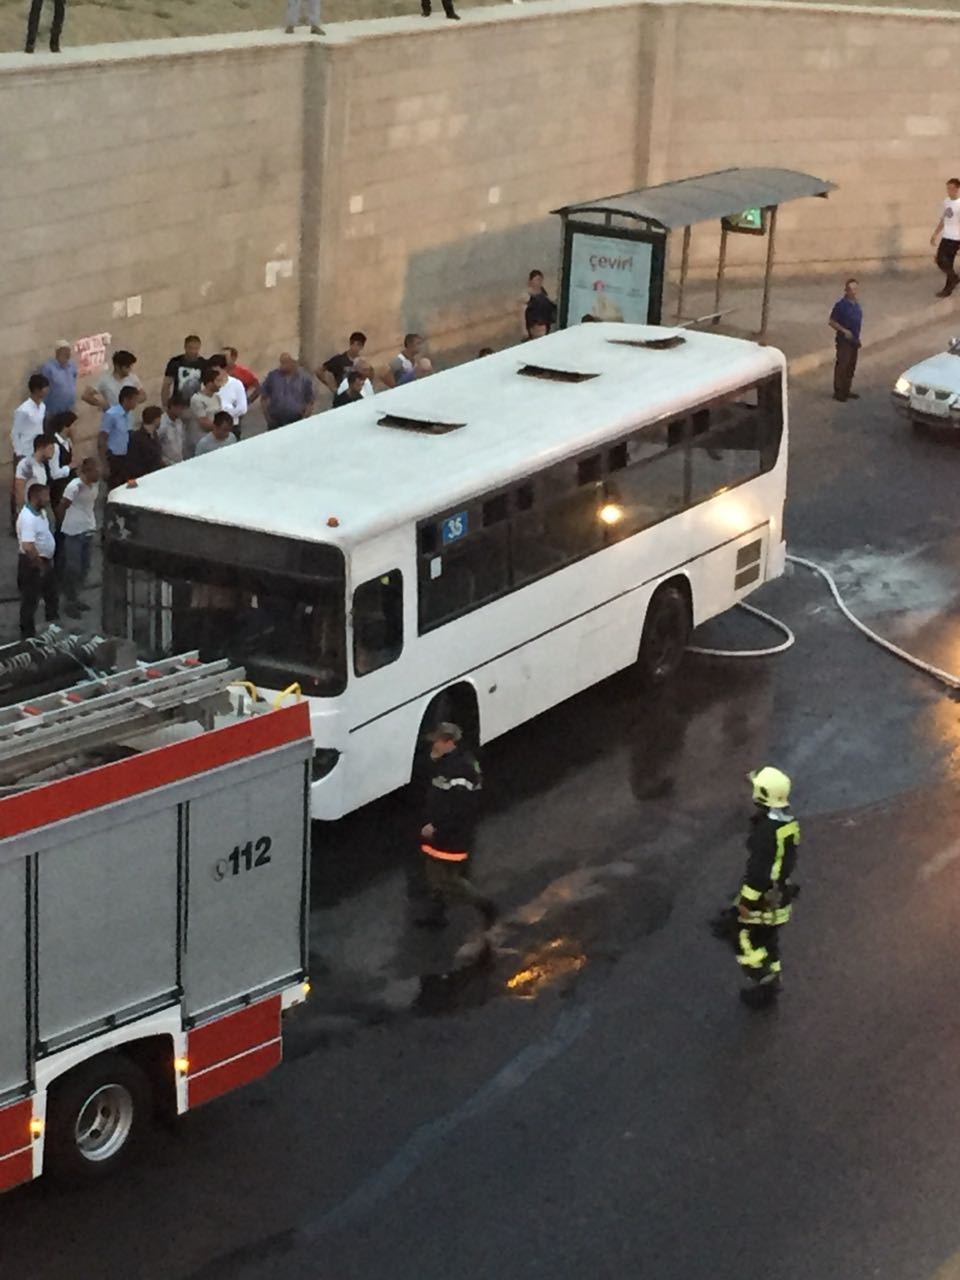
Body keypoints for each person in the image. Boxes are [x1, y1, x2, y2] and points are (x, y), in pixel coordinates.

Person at [710, 767, 800, 1010]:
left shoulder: (765, 833)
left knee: (743, 939)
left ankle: (765, 982)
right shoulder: (787, 825)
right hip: (780, 897)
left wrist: (742, 905)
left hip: (764, 902)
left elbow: (758, 875)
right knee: (769, 939)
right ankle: (773, 976)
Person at [415, 722, 497, 930]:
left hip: (451, 835)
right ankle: (437, 913)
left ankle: (484, 905)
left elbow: (459, 808)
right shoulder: (449, 762)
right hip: (441, 833)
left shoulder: (460, 770)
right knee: (434, 874)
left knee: (449, 880)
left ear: (449, 742)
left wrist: (437, 827)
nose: (433, 746)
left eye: (436, 743)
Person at [56, 458, 100, 618]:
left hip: (88, 528)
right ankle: (69, 601)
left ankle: (77, 597)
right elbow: (62, 506)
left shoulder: (95, 485)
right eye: (94, 470)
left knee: (85, 567)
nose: (98, 473)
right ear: (86, 471)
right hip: (74, 531)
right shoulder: (74, 487)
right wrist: (63, 526)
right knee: (72, 568)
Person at [16, 483, 58, 638]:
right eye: (45, 496)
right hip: (32, 564)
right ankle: (27, 636)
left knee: (52, 596)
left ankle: (53, 628)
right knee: (30, 600)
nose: (48, 499)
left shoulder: (41, 512)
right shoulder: (27, 518)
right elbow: (28, 546)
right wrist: (39, 565)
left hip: (45, 561)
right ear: (36, 497)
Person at [10, 374, 49, 535]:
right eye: (45, 387)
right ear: (36, 390)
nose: (47, 390)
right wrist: (19, 453)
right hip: (24, 452)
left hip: (36, 451)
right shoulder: (23, 410)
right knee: (19, 487)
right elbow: (15, 433)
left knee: (36, 484)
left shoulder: (43, 407)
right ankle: (16, 521)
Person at [98, 384, 139, 490]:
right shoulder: (111, 414)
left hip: (127, 457)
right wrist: (105, 464)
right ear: (126, 400)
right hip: (114, 458)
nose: (136, 403)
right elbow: (102, 437)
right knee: (115, 488)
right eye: (134, 400)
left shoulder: (129, 415)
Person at [828, 277, 863, 403]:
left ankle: (847, 390)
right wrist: (844, 331)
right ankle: (838, 392)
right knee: (842, 366)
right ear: (846, 290)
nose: (853, 292)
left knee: (851, 366)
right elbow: (831, 321)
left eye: (855, 289)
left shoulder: (856, 304)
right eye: (850, 289)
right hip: (844, 342)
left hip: (854, 340)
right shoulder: (841, 305)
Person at [261, 353, 315, 430]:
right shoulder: (272, 376)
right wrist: (268, 418)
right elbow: (264, 397)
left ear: (293, 363)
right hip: (276, 420)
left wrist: (304, 419)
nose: (281, 365)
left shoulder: (304, 378)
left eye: (285, 362)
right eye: (281, 362)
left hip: (296, 419)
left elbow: (310, 401)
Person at [930, 178, 960, 298]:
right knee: (939, 260)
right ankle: (954, 278)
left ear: (957, 189)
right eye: (948, 188)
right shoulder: (946, 201)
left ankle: (948, 288)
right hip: (946, 236)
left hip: (956, 238)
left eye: (952, 188)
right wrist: (935, 234)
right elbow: (943, 219)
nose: (949, 191)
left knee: (948, 262)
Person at [205, 353, 248, 436]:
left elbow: (242, 408)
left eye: (217, 371)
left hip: (231, 427)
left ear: (224, 369)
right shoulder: (207, 384)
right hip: (212, 428)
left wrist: (224, 414)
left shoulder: (236, 384)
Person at [188, 364, 225, 455]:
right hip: (201, 440)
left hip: (216, 439)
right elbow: (204, 423)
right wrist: (222, 428)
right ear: (209, 383)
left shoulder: (217, 398)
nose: (220, 385)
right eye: (218, 381)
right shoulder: (197, 399)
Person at [161, 334, 205, 408]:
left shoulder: (203, 363)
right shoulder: (175, 362)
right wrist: (165, 404)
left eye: (196, 348)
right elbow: (166, 384)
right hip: (177, 404)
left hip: (196, 404)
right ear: (185, 347)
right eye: (190, 348)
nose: (193, 351)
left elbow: (208, 385)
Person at [14, 435, 55, 513]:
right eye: (51, 448)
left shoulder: (43, 466)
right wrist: (23, 511)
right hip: (29, 510)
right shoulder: (26, 464)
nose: (53, 452)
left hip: (40, 510)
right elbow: (19, 489)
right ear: (41, 447)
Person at [39, 341, 78, 419]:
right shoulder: (48, 368)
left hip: (69, 410)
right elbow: (43, 388)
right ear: (58, 352)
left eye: (69, 351)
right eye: (65, 351)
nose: (68, 354)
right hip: (53, 413)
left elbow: (74, 378)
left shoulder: (72, 366)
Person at [46, 410, 77, 507]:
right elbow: (54, 474)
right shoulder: (55, 446)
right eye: (73, 425)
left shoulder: (68, 441)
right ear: (65, 427)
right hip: (59, 490)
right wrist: (70, 467)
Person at [126, 406, 164, 480]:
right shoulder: (137, 438)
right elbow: (134, 462)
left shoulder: (154, 434)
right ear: (156, 420)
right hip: (144, 477)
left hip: (156, 474)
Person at [524, 270, 557, 337]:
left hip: (544, 323)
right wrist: (524, 330)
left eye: (540, 280)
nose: (538, 282)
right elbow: (523, 312)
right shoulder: (526, 296)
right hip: (535, 325)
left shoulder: (543, 293)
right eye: (536, 280)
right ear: (531, 281)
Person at [157, 394, 188, 467]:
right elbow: (156, 447)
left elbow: (182, 443)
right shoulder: (161, 424)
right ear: (172, 407)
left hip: (179, 462)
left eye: (182, 408)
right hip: (165, 465)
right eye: (179, 408)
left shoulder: (179, 422)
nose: (181, 411)